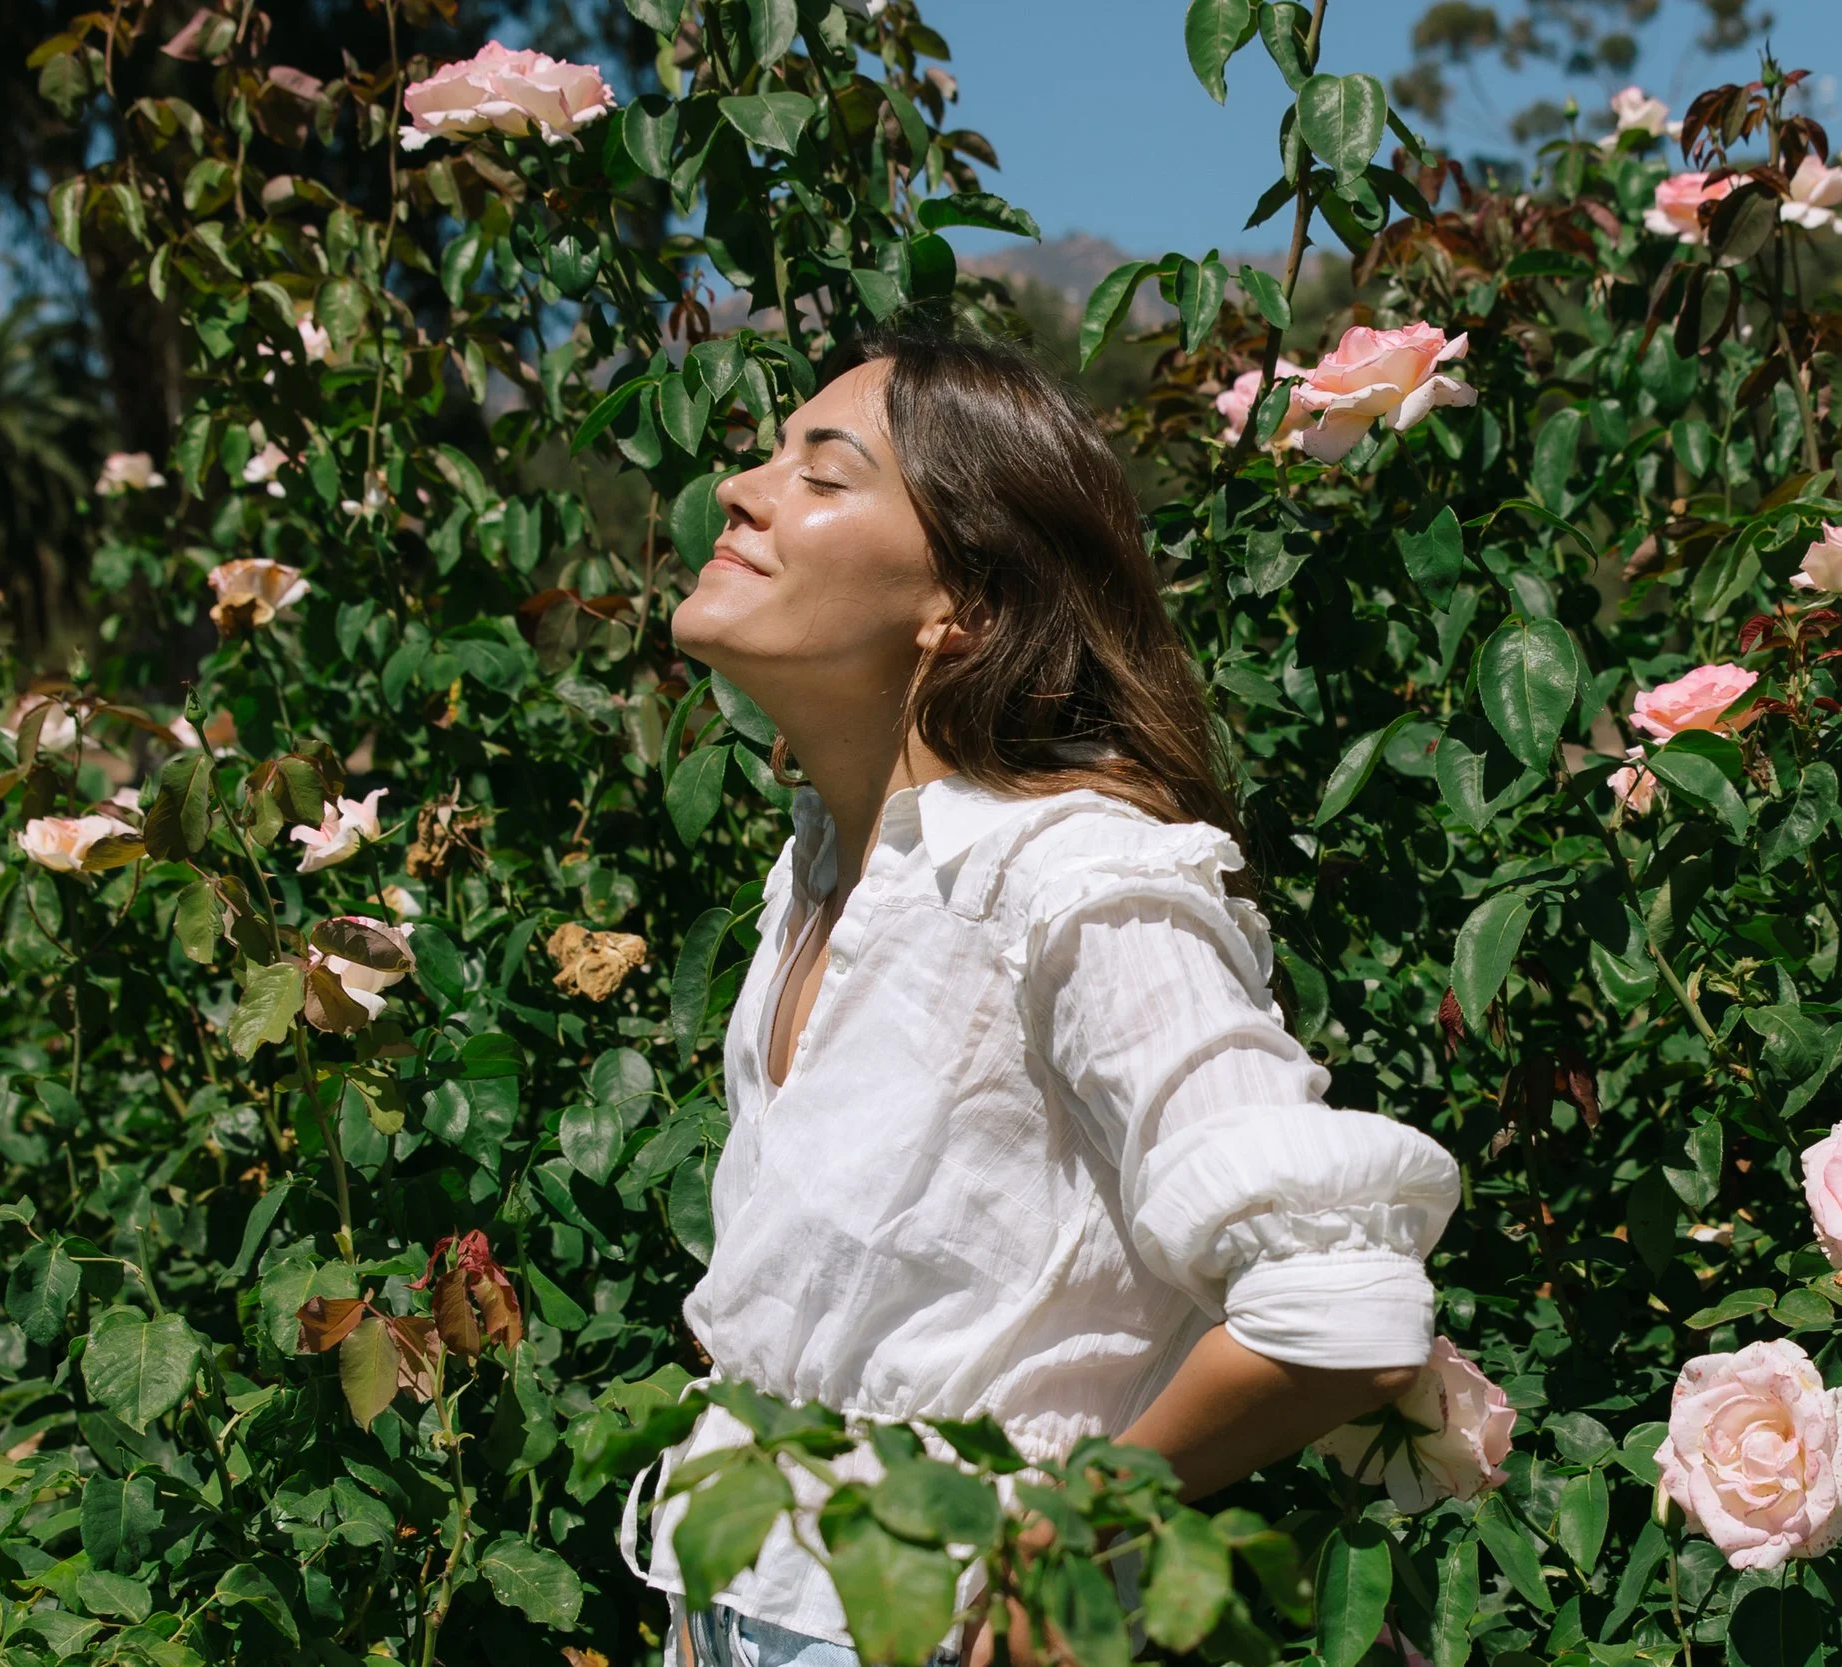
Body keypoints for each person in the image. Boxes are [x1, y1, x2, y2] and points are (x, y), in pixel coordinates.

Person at [620, 327, 1462, 1667]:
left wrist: (1078, 1525)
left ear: (961, 602)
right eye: (766, 454)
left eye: (822, 474)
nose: (741, 488)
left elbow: (1342, 1299)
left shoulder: (1077, 882)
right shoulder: (820, 871)